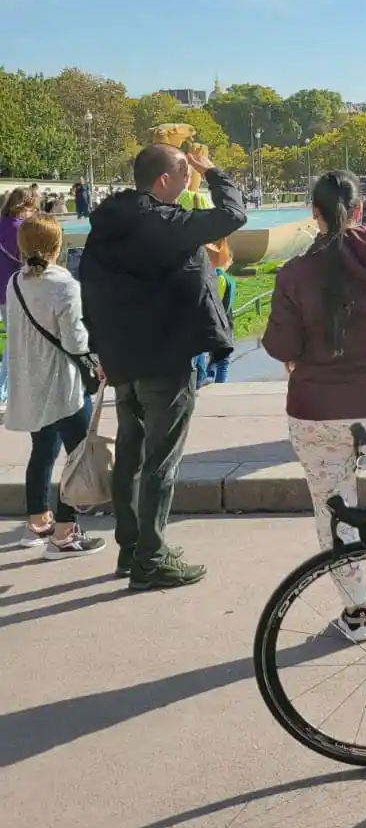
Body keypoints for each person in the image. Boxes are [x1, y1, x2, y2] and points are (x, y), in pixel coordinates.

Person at [263, 171, 366, 639]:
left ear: (313, 214)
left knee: (334, 511)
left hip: (317, 409)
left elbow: (279, 344)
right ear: (359, 211)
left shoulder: (295, 273)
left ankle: (357, 613)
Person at [80, 141, 246, 590]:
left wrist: (102, 351)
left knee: (132, 456)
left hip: (124, 360)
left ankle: (130, 549)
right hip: (164, 358)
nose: (190, 179)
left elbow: (89, 291)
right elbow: (233, 215)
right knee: (161, 460)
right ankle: (152, 558)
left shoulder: (106, 228)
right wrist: (213, 171)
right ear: (164, 180)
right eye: (186, 173)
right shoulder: (162, 220)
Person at [5, 215, 105, 555]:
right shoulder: (64, 284)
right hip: (63, 385)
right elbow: (76, 341)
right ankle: (64, 532)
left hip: (31, 382)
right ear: (57, 246)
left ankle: (37, 523)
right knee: (79, 457)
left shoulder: (15, 282)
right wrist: (96, 363)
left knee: (42, 452)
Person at [0, 185, 38, 409]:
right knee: (17, 341)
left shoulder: (3, 224)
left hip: (3, 288)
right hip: (15, 290)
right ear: (25, 205)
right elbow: (26, 261)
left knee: (15, 339)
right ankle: (4, 389)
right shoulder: (20, 229)